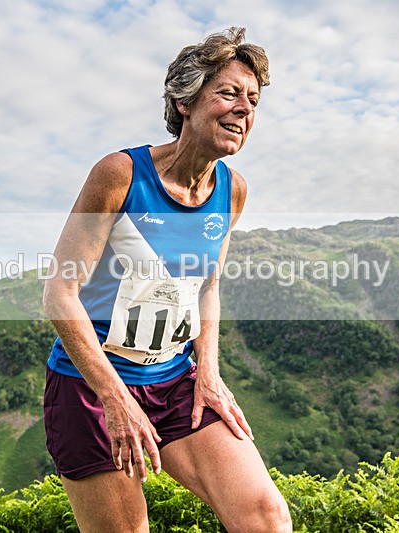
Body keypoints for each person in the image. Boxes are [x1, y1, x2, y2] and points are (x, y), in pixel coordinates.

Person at [42, 27, 292, 533]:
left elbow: (207, 288)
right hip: (91, 386)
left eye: (253, 99)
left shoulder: (233, 191)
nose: (244, 109)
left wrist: (210, 373)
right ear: (184, 101)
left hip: (176, 381)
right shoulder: (120, 174)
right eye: (228, 93)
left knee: (265, 518)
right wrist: (114, 398)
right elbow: (60, 292)